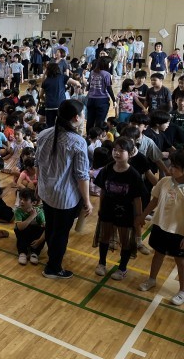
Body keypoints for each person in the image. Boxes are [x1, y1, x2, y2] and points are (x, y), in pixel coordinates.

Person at [36, 99, 93, 279]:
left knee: (52, 227)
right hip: (64, 198)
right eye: (83, 114)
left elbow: (38, 164)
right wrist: (87, 201)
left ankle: (51, 257)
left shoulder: (44, 134)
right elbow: (82, 175)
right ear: (76, 118)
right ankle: (53, 267)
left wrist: (39, 185)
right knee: (60, 234)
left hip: (46, 191)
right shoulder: (78, 142)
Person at [92, 137, 146, 281]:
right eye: (115, 150)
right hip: (108, 208)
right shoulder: (107, 168)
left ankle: (122, 268)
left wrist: (139, 216)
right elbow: (103, 190)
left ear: (130, 153)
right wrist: (100, 207)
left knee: (125, 240)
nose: (116, 153)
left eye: (121, 151)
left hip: (125, 212)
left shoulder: (133, 174)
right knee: (104, 236)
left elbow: (137, 198)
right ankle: (102, 263)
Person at [138, 149, 184, 306]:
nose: (170, 168)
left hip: (179, 231)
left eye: (175, 167)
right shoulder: (164, 181)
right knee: (158, 254)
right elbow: (154, 200)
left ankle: (182, 291)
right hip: (160, 225)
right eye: (171, 165)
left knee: (181, 261)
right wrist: (142, 216)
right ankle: (152, 279)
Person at [41, 62, 80, 127]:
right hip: (61, 105)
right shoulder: (62, 77)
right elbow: (76, 83)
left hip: (49, 106)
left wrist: (46, 100)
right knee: (63, 125)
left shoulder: (45, 81)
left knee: (49, 126)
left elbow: (40, 95)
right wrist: (78, 85)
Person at [14, 189, 46, 266]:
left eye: (25, 200)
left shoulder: (39, 212)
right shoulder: (18, 211)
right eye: (21, 199)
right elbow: (20, 227)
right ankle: (22, 252)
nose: (21, 201)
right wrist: (32, 216)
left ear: (33, 203)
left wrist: (39, 241)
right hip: (24, 235)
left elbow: (46, 229)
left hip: (35, 238)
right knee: (18, 228)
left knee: (42, 229)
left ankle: (35, 253)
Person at [86, 57, 116, 133]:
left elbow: (89, 86)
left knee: (90, 121)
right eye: (110, 63)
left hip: (91, 99)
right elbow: (109, 88)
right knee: (100, 122)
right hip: (102, 100)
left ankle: (89, 136)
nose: (110, 64)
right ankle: (97, 137)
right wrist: (114, 100)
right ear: (106, 64)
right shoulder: (106, 74)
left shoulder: (92, 72)